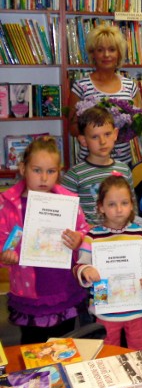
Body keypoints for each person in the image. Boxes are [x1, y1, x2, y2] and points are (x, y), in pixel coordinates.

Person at [0, 137, 89, 344]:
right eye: (37, 170)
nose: (44, 178)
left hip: (63, 285)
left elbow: (84, 231)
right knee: (33, 344)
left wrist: (79, 240)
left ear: (59, 172)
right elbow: (3, 238)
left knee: (64, 343)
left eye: (51, 171)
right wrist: (6, 255)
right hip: (28, 290)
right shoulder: (8, 204)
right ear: (23, 168)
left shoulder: (67, 201)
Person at [73, 175, 142, 350]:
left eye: (124, 203)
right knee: (108, 353)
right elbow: (79, 266)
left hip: (136, 308)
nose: (119, 209)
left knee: (138, 352)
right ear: (100, 207)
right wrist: (86, 270)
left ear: (132, 204)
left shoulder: (140, 233)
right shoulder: (92, 237)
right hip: (105, 309)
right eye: (111, 204)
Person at [68, 25, 142, 166]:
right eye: (100, 50)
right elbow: (72, 128)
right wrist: (98, 129)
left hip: (122, 163)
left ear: (119, 54)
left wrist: (119, 132)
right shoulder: (80, 86)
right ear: (93, 54)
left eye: (112, 49)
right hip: (89, 163)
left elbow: (138, 125)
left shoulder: (130, 86)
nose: (106, 55)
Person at [61, 106, 133, 226]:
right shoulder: (74, 176)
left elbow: (131, 207)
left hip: (120, 236)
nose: (102, 141)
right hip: (90, 239)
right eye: (95, 136)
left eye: (107, 134)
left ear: (115, 134)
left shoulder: (124, 170)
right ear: (83, 140)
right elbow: (66, 215)